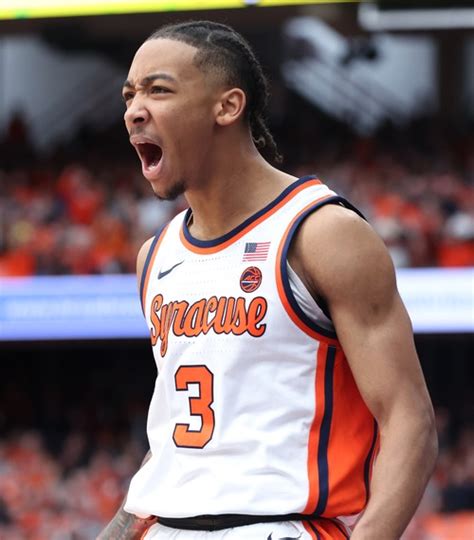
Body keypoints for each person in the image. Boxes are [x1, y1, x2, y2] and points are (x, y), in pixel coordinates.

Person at [98, 20, 437, 540]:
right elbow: (175, 442)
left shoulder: (322, 233)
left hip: (280, 526)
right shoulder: (155, 255)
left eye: (158, 90)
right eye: (129, 95)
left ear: (228, 106)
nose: (134, 110)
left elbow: (409, 421)